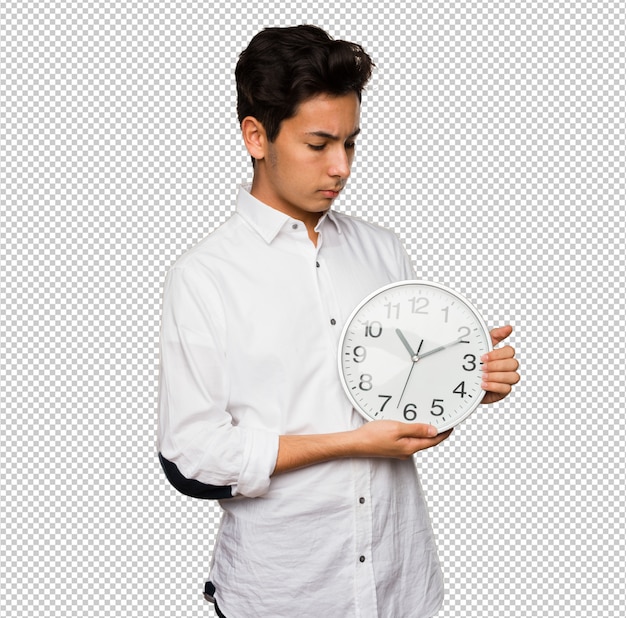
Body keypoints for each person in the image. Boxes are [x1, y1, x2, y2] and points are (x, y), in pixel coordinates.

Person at [157, 25, 520, 618]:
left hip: (400, 583)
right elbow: (192, 455)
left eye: (352, 143)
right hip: (284, 593)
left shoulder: (383, 250)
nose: (342, 167)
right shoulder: (205, 276)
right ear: (256, 136)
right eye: (319, 144)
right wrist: (352, 444)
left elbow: (405, 404)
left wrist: (469, 383)